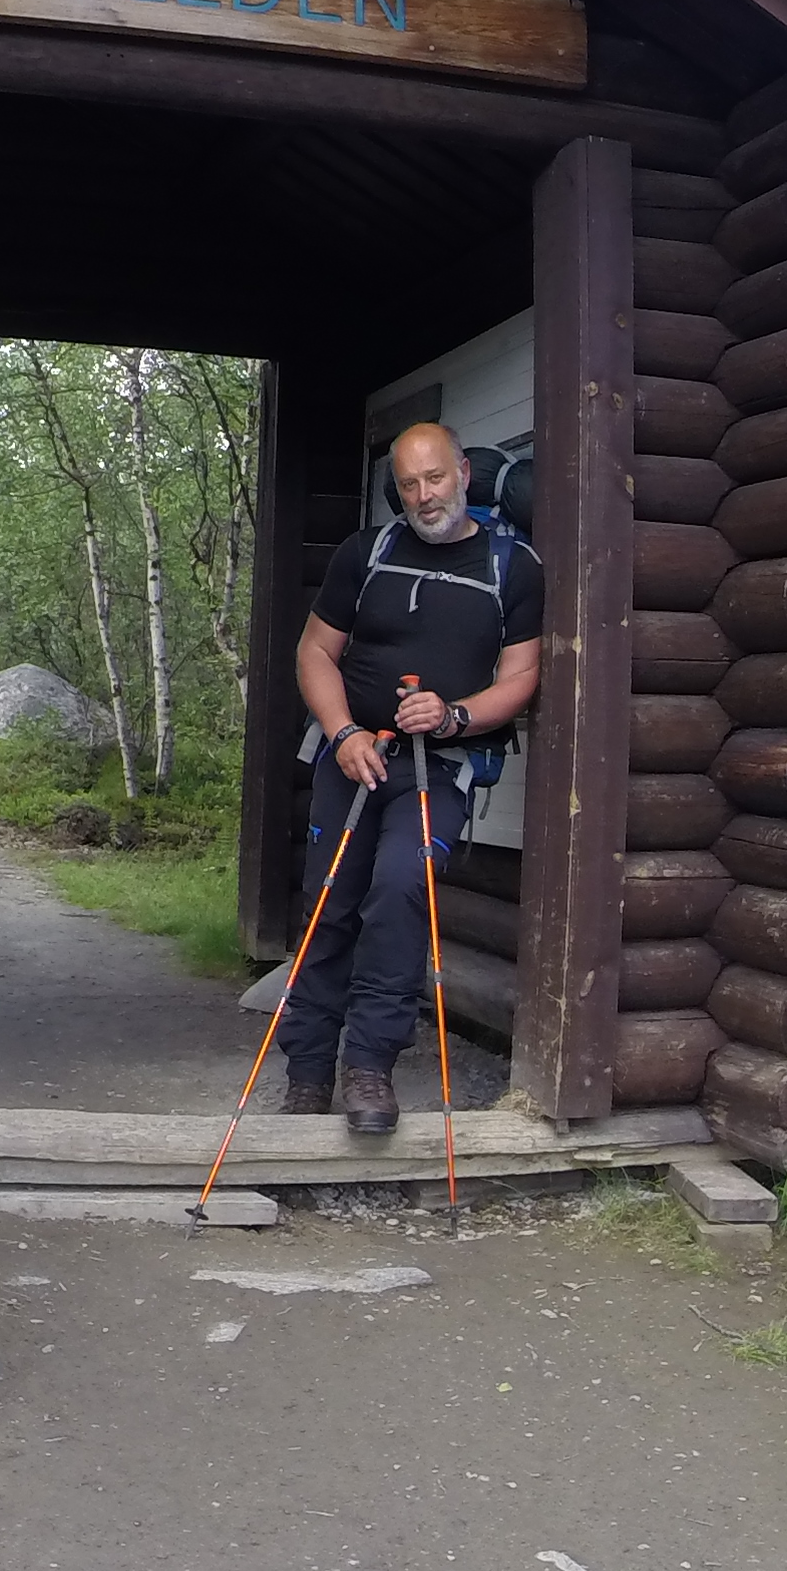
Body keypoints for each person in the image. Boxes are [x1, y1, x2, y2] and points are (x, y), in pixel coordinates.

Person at [287, 421, 544, 1132]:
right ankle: (307, 1073)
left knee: (401, 892)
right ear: (396, 490)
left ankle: (369, 1068)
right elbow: (314, 652)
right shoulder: (365, 553)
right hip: (353, 757)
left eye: (435, 478)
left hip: (440, 766)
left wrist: (455, 715)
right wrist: (342, 732)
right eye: (409, 484)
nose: (426, 496)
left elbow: (522, 677)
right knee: (329, 904)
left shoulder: (514, 567)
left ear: (462, 473)